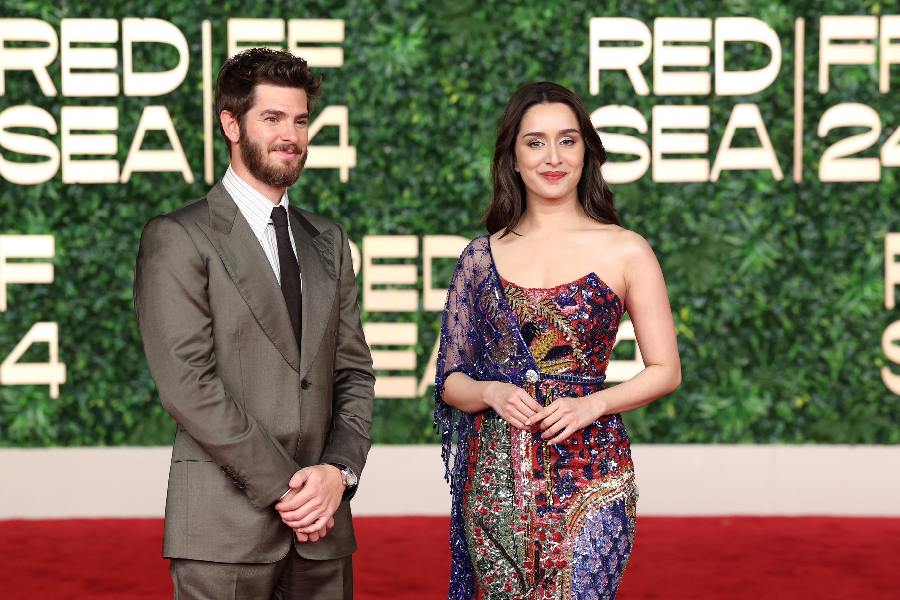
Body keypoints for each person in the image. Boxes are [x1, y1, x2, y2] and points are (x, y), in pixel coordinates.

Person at [134, 47, 374, 599]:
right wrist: (291, 490)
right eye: (271, 118)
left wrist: (338, 474)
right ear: (231, 124)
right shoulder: (179, 236)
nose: (290, 135)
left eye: (299, 120)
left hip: (323, 529)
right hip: (224, 531)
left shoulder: (328, 240)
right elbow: (187, 385)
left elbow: (353, 374)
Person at [434, 81, 681, 599]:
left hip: (594, 475)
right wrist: (490, 392)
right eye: (535, 142)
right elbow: (451, 380)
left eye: (567, 141)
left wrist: (594, 404)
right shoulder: (480, 258)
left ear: (586, 152)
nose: (553, 157)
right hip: (496, 484)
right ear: (513, 158)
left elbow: (665, 370)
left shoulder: (626, 250)